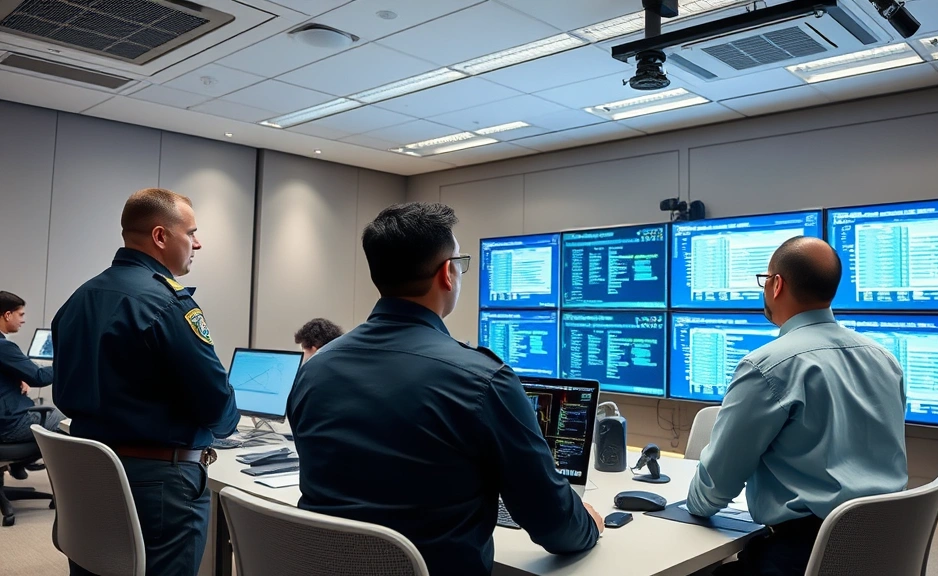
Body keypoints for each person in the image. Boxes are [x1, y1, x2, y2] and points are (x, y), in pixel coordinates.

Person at [287, 202, 602, 575]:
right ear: (447, 274)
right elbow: (553, 523)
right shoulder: (482, 381)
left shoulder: (313, 370)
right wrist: (587, 524)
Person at [686, 236, 908, 576]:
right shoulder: (885, 359)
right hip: (881, 551)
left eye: (765, 280)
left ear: (777, 285)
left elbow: (715, 487)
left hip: (801, 558)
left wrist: (691, 506)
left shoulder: (767, 366)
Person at [52, 188, 240, 576]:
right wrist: (228, 423)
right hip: (158, 489)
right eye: (191, 233)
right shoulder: (168, 303)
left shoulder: (79, 298)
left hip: (89, 475)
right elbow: (216, 406)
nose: (198, 244)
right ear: (160, 236)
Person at [0, 291, 64, 479]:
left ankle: (18, 464)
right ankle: (67, 489)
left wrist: (16, 377)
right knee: (65, 423)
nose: (24, 320)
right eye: (21, 314)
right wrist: (68, 363)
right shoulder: (4, 347)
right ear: (7, 315)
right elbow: (39, 377)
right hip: (8, 425)